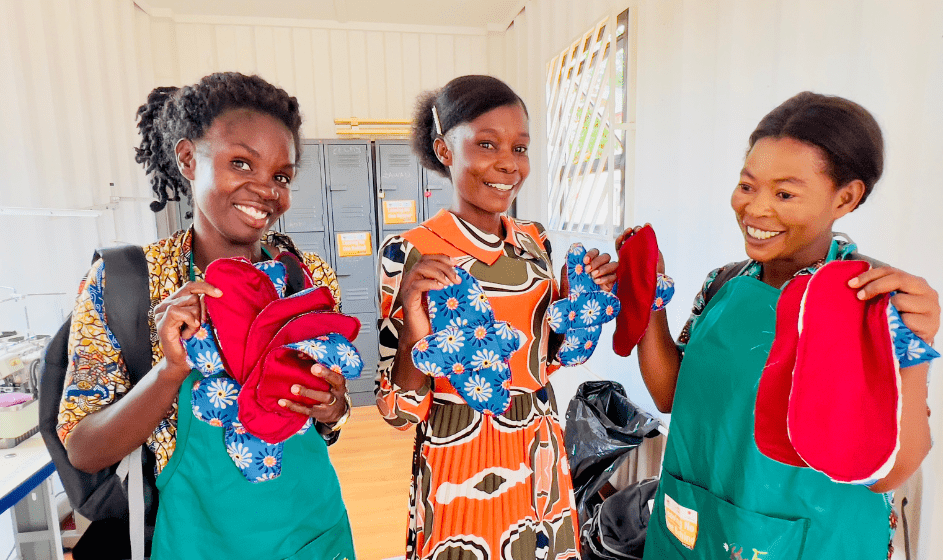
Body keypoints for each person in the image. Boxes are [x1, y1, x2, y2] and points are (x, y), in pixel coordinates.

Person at [627, 92, 939, 559]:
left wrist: (917, 348)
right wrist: (647, 293)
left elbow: (890, 472)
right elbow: (671, 394)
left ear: (846, 197)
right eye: (748, 186)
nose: (754, 209)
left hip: (813, 538)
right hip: (694, 527)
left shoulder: (873, 301)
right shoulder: (724, 283)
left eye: (784, 193)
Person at [58, 72, 356, 560]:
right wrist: (169, 370)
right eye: (242, 163)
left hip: (313, 532)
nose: (266, 190)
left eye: (281, 176)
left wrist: (331, 407)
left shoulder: (307, 277)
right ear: (188, 159)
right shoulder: (128, 283)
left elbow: (326, 426)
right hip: (198, 541)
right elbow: (84, 450)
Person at [375, 75, 618, 560]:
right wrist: (410, 336)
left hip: (539, 445)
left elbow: (544, 362)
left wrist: (579, 304)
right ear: (445, 150)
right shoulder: (409, 252)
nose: (508, 163)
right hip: (457, 453)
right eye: (487, 144)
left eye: (520, 148)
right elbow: (397, 410)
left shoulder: (534, 242)